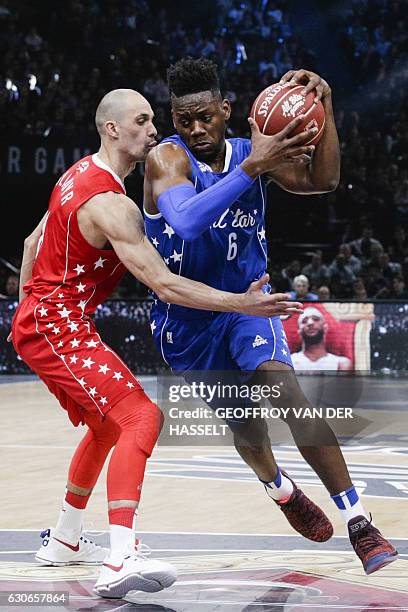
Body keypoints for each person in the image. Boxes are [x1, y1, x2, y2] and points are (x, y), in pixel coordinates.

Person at [10, 88, 302, 600]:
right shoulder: (112, 205)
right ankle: (120, 556)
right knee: (143, 417)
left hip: (47, 320)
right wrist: (242, 304)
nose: (153, 131)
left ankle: (64, 538)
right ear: (113, 129)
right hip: (57, 324)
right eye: (142, 122)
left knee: (106, 427)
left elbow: (31, 244)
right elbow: (166, 284)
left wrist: (28, 311)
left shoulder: (75, 173)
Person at [143, 57, 397, 575]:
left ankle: (359, 523)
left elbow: (324, 180)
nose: (196, 129)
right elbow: (187, 223)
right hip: (188, 321)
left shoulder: (251, 150)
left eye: (206, 117)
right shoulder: (166, 160)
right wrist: (252, 167)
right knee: (249, 429)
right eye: (185, 119)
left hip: (250, 304)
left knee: (288, 393)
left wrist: (325, 107)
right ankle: (280, 489)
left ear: (226, 110)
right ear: (174, 121)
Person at [291, 307, 352, 371]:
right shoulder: (289, 362)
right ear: (299, 331)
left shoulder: (341, 363)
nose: (310, 323)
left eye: (315, 319)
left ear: (325, 327)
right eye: (304, 321)